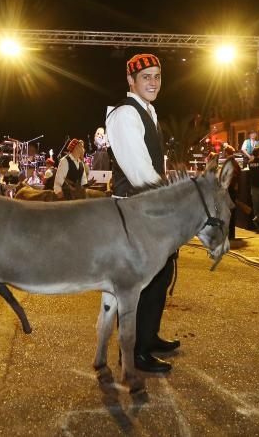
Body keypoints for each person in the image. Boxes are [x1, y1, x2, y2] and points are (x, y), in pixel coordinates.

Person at [107, 52, 179, 373]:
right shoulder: (125, 114)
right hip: (134, 209)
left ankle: (148, 338)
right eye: (145, 76)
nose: (152, 82)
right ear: (130, 80)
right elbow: (138, 171)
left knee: (160, 275)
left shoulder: (148, 111)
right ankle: (132, 352)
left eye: (157, 76)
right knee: (139, 283)